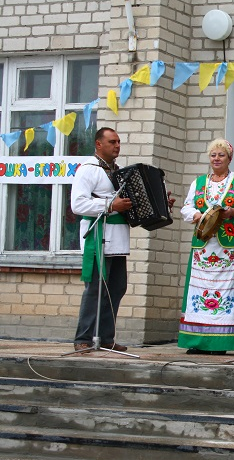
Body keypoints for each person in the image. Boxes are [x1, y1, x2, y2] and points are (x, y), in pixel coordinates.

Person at [178, 138, 234, 355]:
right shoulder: (199, 182)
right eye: (213, 155)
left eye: (221, 155)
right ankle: (198, 341)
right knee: (200, 291)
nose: (216, 158)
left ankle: (222, 343)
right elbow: (186, 207)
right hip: (203, 247)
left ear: (229, 158)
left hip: (228, 248)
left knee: (227, 293)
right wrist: (197, 215)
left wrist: (233, 212)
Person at [71, 128, 133, 352]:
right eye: (112, 142)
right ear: (98, 144)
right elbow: (77, 205)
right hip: (98, 236)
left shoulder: (119, 172)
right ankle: (83, 338)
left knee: (117, 288)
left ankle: (107, 338)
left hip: (118, 239)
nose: (117, 145)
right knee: (95, 288)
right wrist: (109, 206)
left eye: (118, 141)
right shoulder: (88, 170)